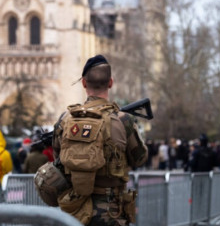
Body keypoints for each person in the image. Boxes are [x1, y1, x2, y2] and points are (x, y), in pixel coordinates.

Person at [52, 55, 148, 226]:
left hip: (73, 210)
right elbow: (140, 159)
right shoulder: (124, 120)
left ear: (83, 83)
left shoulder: (65, 119)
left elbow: (57, 159)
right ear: (110, 82)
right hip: (111, 212)